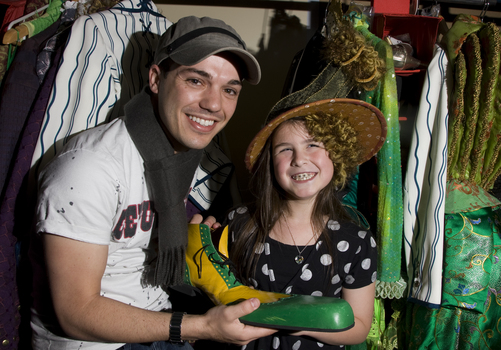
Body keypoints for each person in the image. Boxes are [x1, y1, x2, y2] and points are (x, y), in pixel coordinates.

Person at [29, 16, 277, 349]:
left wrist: (190, 238)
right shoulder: (88, 168)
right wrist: (203, 327)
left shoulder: (192, 157)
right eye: (196, 80)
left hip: (157, 321)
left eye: (229, 89)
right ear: (156, 79)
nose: (214, 104)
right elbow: (76, 312)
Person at [224, 95, 387, 349]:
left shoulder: (357, 243)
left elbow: (359, 327)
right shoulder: (240, 224)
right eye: (285, 149)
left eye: (312, 145)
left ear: (335, 154)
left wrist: (293, 320)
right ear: (270, 161)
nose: (299, 159)